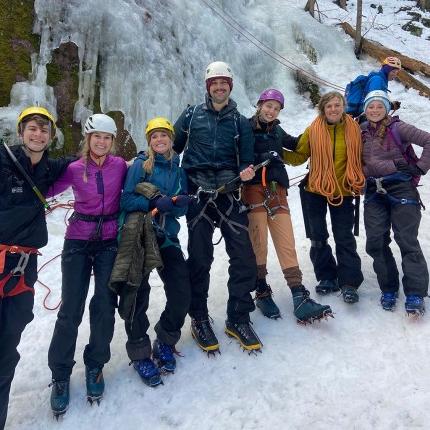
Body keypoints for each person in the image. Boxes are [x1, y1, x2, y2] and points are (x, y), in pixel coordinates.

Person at [173, 61, 262, 353]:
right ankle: (198, 316)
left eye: (224, 83)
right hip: (197, 193)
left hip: (229, 193)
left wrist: (247, 171)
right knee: (199, 259)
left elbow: (246, 159)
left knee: (244, 258)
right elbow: (171, 148)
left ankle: (238, 316)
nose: (219, 88)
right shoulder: (191, 114)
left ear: (230, 87)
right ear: (208, 87)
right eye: (215, 84)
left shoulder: (240, 122)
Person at [47, 114, 127, 417]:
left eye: (107, 138)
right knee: (71, 309)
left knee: (105, 304)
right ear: (88, 139)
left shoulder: (120, 166)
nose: (102, 142)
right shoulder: (74, 168)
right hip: (78, 241)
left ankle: (95, 364)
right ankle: (61, 375)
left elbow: (142, 176)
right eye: (97, 137)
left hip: (109, 241)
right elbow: (46, 189)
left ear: (112, 142)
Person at [0, 106, 71, 430]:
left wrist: (132, 163)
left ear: (51, 136)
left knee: (8, 345)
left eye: (44, 129)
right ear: (21, 131)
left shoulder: (50, 169)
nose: (38, 133)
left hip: (24, 269)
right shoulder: (3, 162)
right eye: (32, 128)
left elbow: (85, 163)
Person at [242, 88, 332, 323]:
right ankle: (261, 290)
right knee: (258, 241)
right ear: (259, 104)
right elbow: (237, 154)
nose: (271, 111)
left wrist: (318, 127)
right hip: (252, 189)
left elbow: (296, 144)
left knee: (286, 241)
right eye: (268, 105)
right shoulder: (244, 127)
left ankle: (298, 294)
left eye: (276, 107)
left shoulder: (277, 130)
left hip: (276, 190)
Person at [118, 117, 191, 386]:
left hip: (167, 237)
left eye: (164, 136)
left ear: (172, 140)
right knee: (137, 294)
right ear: (149, 141)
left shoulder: (178, 170)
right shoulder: (140, 166)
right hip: (140, 236)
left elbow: (182, 209)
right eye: (154, 136)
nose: (159, 140)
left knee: (181, 292)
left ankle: (166, 337)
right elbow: (125, 199)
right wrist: (153, 200)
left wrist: (180, 203)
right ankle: (139, 352)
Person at [283, 91, 365, 304]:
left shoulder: (355, 129)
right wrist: (277, 152)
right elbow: (300, 156)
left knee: (344, 237)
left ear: (343, 106)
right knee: (318, 237)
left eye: (337, 105)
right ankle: (327, 277)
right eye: (329, 106)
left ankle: (349, 282)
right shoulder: (313, 130)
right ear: (323, 109)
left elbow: (365, 156)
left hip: (344, 190)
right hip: (315, 190)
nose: (334, 109)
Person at [361, 90, 430, 315]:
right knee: (375, 241)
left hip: (401, 187)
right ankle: (388, 288)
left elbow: (428, 140)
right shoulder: (359, 132)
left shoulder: (398, 128)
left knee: (406, 239)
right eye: (370, 106)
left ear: (387, 108)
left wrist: (419, 168)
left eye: (379, 106)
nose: (374, 110)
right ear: (365, 109)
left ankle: (416, 292)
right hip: (373, 190)